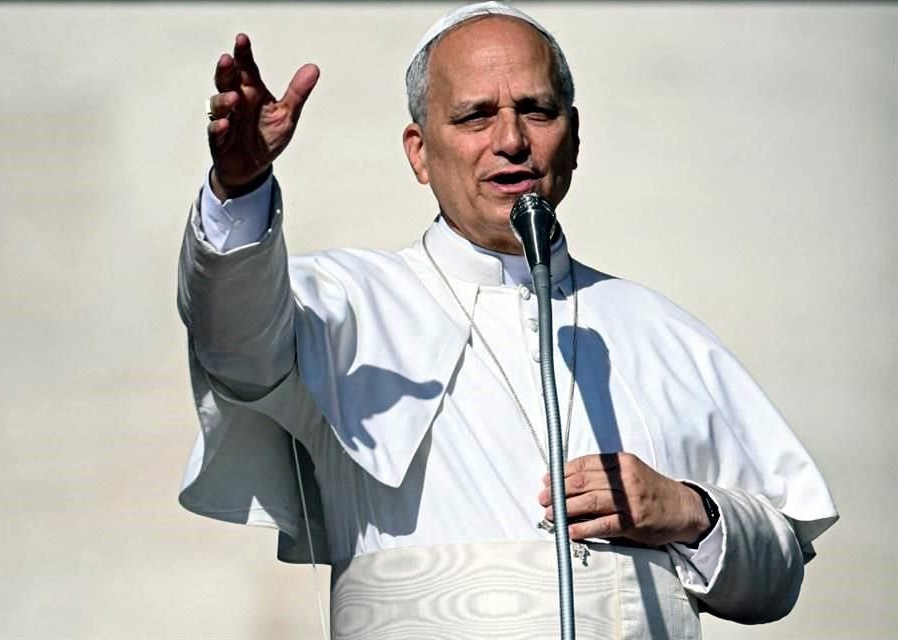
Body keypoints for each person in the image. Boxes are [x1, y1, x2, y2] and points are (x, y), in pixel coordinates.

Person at [177, 3, 837, 638]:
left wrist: (688, 512)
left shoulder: (660, 330)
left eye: (536, 111)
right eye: (474, 116)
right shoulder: (343, 304)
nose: (512, 140)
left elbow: (776, 579)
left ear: (572, 137)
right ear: (419, 152)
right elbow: (233, 340)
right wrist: (239, 188)